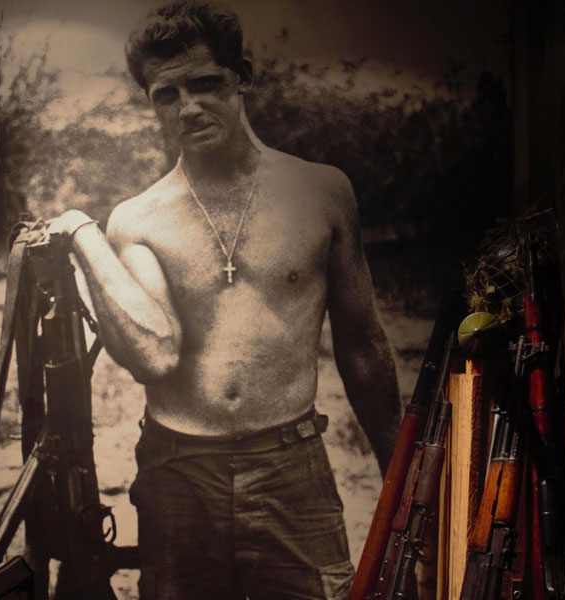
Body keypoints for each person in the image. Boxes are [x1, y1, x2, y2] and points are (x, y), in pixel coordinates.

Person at [48, 2, 401, 598]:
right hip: (179, 470)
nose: (189, 107)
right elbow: (152, 354)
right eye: (167, 94)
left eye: (205, 84)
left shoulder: (321, 192)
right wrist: (83, 233)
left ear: (242, 76)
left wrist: (403, 480)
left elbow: (363, 348)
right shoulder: (138, 220)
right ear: (152, 102)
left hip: (292, 466)